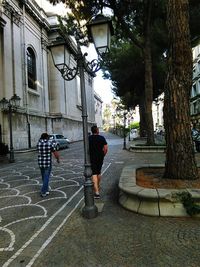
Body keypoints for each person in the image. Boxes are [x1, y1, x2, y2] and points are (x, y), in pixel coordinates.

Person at [37, 133, 60, 197]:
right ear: (46, 138)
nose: (49, 138)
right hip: (47, 163)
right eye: (48, 137)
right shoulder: (50, 144)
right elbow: (55, 153)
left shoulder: (38, 144)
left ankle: (46, 190)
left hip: (41, 163)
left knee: (43, 177)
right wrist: (58, 159)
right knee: (46, 177)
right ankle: (43, 191)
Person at [89, 125, 108, 199]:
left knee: (94, 173)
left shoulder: (89, 138)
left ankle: (96, 192)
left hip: (92, 157)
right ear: (97, 130)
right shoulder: (101, 138)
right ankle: (97, 186)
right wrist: (103, 155)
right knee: (98, 172)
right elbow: (106, 149)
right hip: (100, 157)